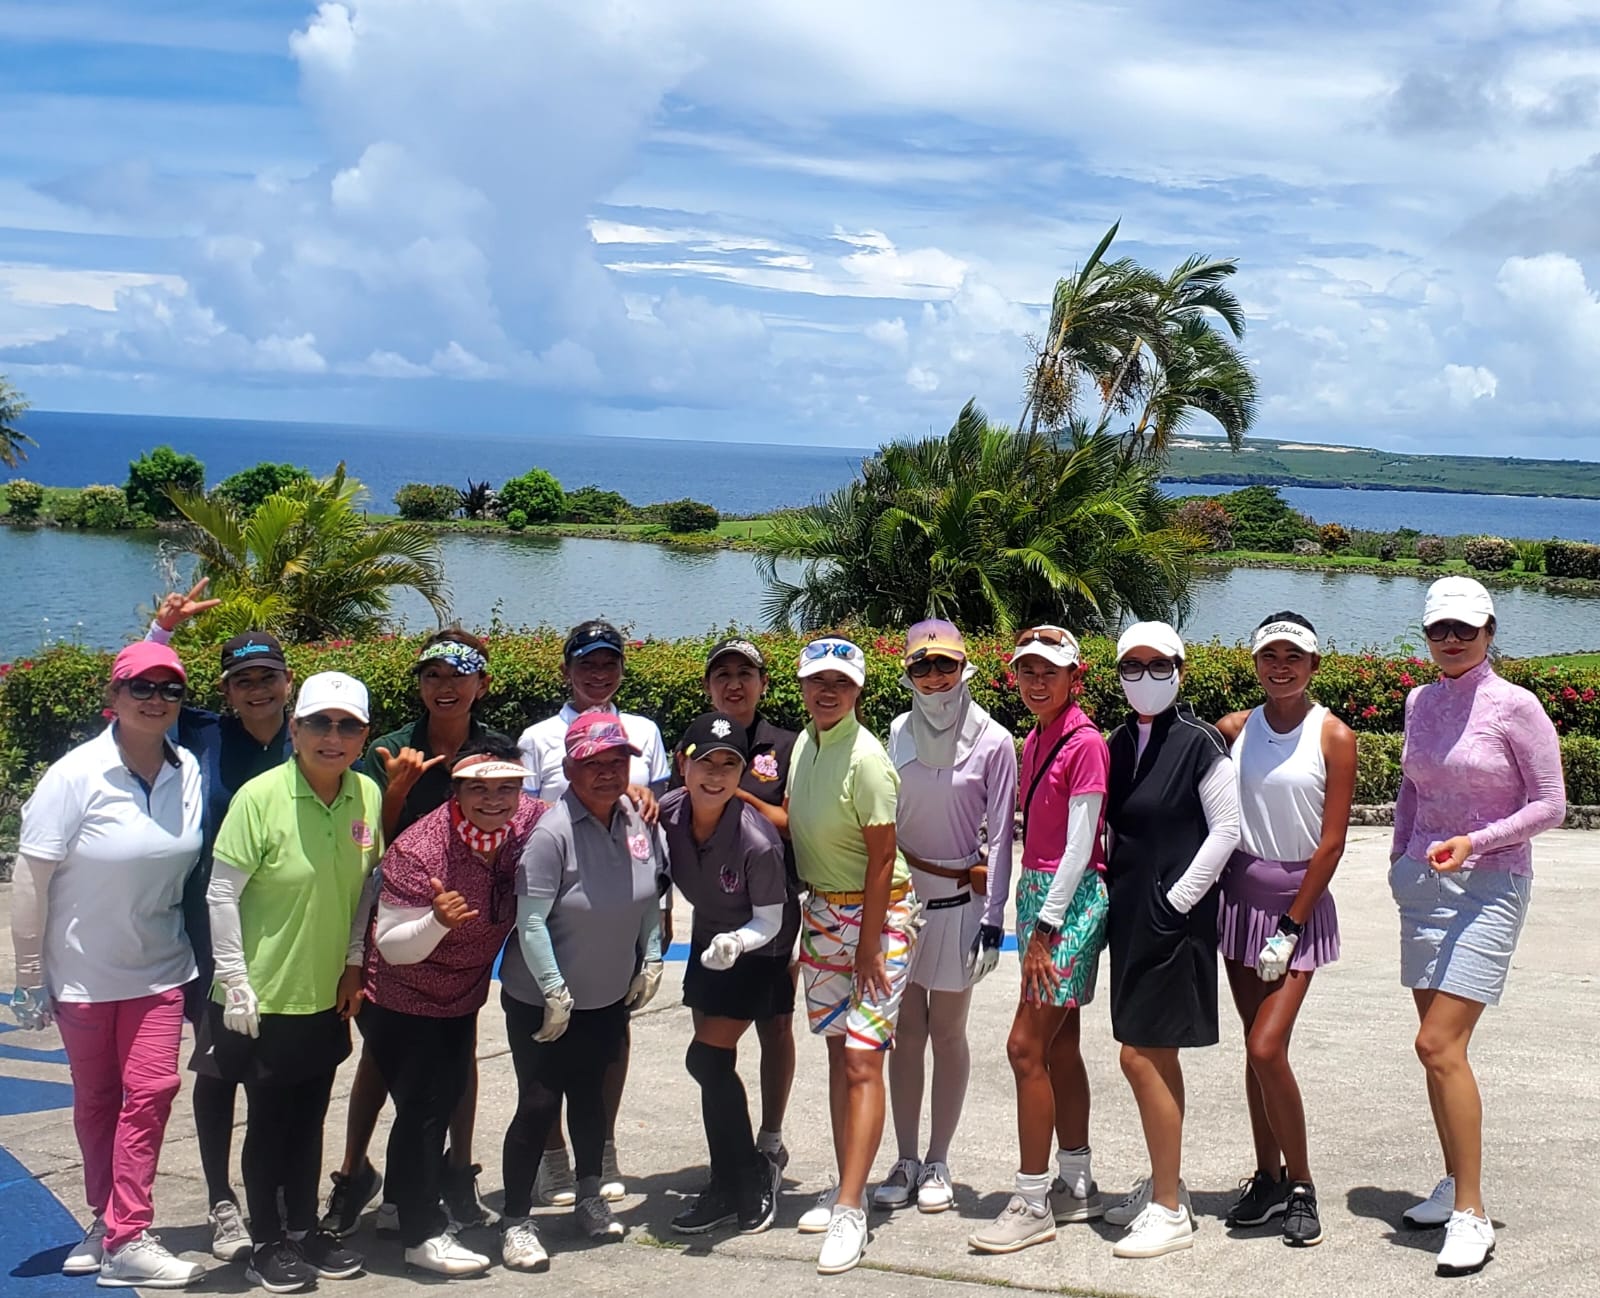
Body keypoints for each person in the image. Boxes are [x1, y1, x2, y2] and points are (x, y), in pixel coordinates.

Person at [10, 641, 206, 1288]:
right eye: (141, 688)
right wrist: (28, 979)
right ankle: (108, 1221)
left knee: (150, 1093)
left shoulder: (190, 772)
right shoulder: (75, 775)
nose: (156, 700)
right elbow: (30, 879)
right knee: (97, 1101)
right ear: (114, 699)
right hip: (83, 974)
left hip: (160, 968)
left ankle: (127, 1234)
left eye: (169, 689)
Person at [1390, 577, 1564, 1277]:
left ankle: (1471, 1213)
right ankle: (1453, 1179)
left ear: (1491, 631)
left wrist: (1478, 842)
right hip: (1423, 881)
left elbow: (1553, 803)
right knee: (1440, 1054)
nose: (1452, 641)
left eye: (1465, 628)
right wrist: (1402, 858)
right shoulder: (1419, 700)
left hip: (1491, 883)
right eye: (1440, 630)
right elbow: (1411, 786)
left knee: (1437, 1041)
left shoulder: (1515, 706)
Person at [322, 630, 512, 1239]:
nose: (445, 687)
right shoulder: (386, 751)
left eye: (459, 676)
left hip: (466, 930)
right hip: (397, 924)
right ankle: (355, 1175)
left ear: (482, 684)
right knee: (380, 1054)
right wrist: (398, 789)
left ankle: (456, 1171)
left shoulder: (497, 752)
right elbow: (363, 847)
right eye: (432, 675)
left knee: (461, 1050)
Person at [203, 671, 383, 1293]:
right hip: (262, 996)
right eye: (319, 724)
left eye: (348, 726)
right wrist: (236, 981)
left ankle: (305, 1230)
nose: (333, 737)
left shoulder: (366, 795)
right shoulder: (260, 797)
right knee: (269, 1123)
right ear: (296, 728)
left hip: (325, 992)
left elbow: (366, 892)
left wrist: (355, 963)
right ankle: (266, 1241)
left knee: (309, 1119)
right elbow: (221, 893)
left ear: (363, 736)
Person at [144, 583, 295, 1264]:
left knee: (281, 1068)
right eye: (243, 681)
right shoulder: (202, 732)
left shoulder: (316, 736)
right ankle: (220, 1199)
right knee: (220, 1066)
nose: (256, 690)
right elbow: (138, 706)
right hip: (213, 928)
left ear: (288, 683)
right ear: (227, 690)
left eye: (267, 677)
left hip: (295, 929)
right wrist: (160, 630)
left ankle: (277, 1188)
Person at [358, 743, 545, 1277]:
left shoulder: (527, 818)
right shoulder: (420, 850)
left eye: (506, 786)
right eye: (478, 787)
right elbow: (392, 945)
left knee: (442, 1100)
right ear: (455, 792)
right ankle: (420, 1234)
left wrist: (631, 793)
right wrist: (438, 921)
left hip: (461, 996)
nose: (494, 798)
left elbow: (572, 808)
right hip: (399, 996)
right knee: (424, 1108)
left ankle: (399, 1209)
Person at [497, 712, 667, 1267]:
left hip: (605, 996)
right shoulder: (552, 831)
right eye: (593, 763)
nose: (607, 773)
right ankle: (517, 1219)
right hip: (544, 1002)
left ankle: (590, 1196)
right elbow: (531, 922)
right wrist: (554, 991)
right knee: (540, 1103)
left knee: (592, 1102)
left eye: (617, 762)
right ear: (570, 767)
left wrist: (653, 956)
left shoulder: (637, 821)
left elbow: (647, 897)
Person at [515, 619, 669, 1206]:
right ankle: (553, 1157)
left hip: (626, 890)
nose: (598, 674)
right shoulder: (537, 739)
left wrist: (655, 921)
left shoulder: (643, 731)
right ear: (566, 671)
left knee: (613, 1026)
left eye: (609, 663)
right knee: (549, 1044)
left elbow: (651, 812)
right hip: (554, 895)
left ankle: (599, 1146)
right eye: (587, 664)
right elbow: (525, 817)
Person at [1214, 613, 1355, 1248]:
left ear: (1313, 666)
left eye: (1293, 656)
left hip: (1295, 910)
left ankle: (1301, 1184)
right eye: (1269, 654)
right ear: (1255, 663)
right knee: (1254, 1047)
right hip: (1238, 902)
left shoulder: (1334, 735)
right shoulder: (1233, 730)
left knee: (1268, 1047)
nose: (1281, 665)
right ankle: (1267, 1179)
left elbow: (1331, 844)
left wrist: (1292, 925)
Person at [1101, 622, 1240, 1259]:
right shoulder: (1117, 741)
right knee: (1149, 1053)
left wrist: (1178, 899)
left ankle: (1167, 1208)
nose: (1145, 676)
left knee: (1142, 1054)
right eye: (1133, 665)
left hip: (1171, 917)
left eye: (1159, 664)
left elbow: (1226, 828)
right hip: (1128, 914)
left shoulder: (1200, 741)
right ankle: (1166, 1183)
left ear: (1181, 668)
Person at [970, 625, 1110, 1255]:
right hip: (1039, 893)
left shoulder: (1085, 744)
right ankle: (1075, 1182)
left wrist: (1046, 928)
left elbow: (1082, 845)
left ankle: (1031, 1199)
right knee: (1060, 1045)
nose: (1035, 680)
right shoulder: (1035, 737)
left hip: (1067, 903)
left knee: (1024, 1047)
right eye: (1027, 669)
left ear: (1075, 677)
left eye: (1049, 671)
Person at [785, 636, 918, 1276]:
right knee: (840, 1052)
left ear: (859, 690)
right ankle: (851, 1184)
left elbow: (886, 857)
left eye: (840, 682)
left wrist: (867, 938)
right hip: (822, 914)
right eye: (817, 681)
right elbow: (795, 824)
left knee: (864, 1057)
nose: (827, 691)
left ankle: (848, 1210)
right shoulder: (807, 744)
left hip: (877, 916)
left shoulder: (867, 759)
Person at [874, 620, 1017, 1219]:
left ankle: (938, 1158)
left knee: (947, 1032)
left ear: (964, 668)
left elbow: (1004, 834)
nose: (934, 677)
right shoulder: (897, 730)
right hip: (904, 905)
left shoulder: (994, 740)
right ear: (907, 673)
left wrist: (994, 918)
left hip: (962, 903)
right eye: (921, 667)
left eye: (944, 665)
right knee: (905, 1034)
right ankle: (904, 1159)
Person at [660, 711, 789, 1236]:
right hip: (709, 935)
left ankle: (753, 1171)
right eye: (705, 762)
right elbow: (653, 865)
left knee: (706, 1059)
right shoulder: (666, 813)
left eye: (729, 766)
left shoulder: (756, 841)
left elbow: (771, 919)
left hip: (759, 945)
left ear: (741, 776)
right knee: (714, 1070)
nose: (715, 775)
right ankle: (724, 1180)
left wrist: (737, 943)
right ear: (683, 764)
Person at [690, 636, 800, 1179]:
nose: (734, 683)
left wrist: (734, 794)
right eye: (722, 674)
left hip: (772, 908)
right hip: (712, 911)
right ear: (708, 685)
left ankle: (770, 1138)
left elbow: (794, 823)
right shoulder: (698, 741)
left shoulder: (786, 744)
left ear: (762, 682)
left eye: (745, 673)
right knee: (709, 1031)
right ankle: (725, 1150)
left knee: (775, 1026)